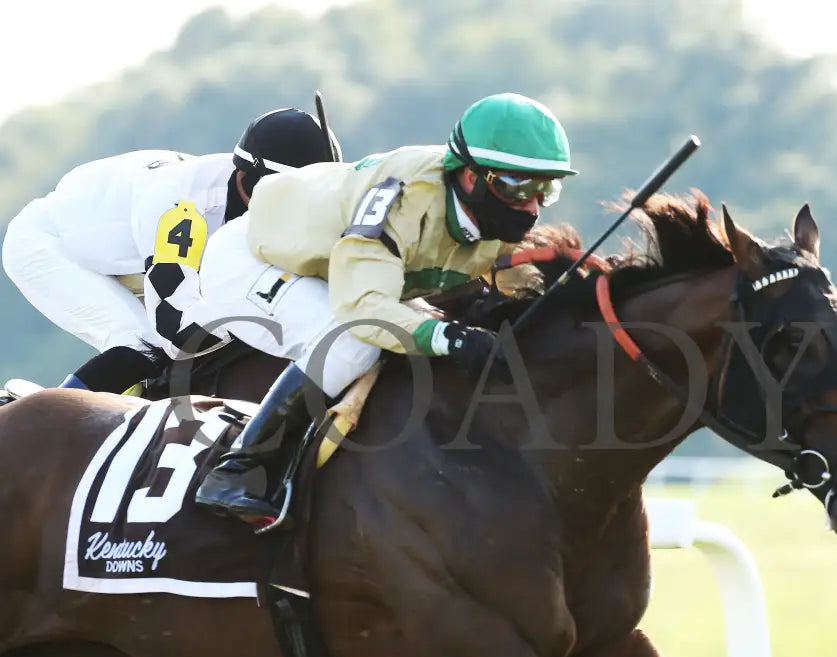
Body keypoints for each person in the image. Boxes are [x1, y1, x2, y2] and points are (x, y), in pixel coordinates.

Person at [191, 92, 576, 524]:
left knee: (431, 335)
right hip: (251, 259)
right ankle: (241, 469)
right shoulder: (402, 200)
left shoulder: (489, 214)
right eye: (518, 187)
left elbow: (499, 283)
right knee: (354, 342)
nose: (532, 206)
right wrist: (449, 336)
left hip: (331, 267)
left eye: (546, 189)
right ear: (470, 177)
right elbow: (364, 308)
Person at [0, 107, 342, 398]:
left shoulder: (245, 192)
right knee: (142, 345)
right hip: (48, 247)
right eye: (293, 199)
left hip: (125, 248)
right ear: (245, 184)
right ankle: (44, 422)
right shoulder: (182, 208)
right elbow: (175, 331)